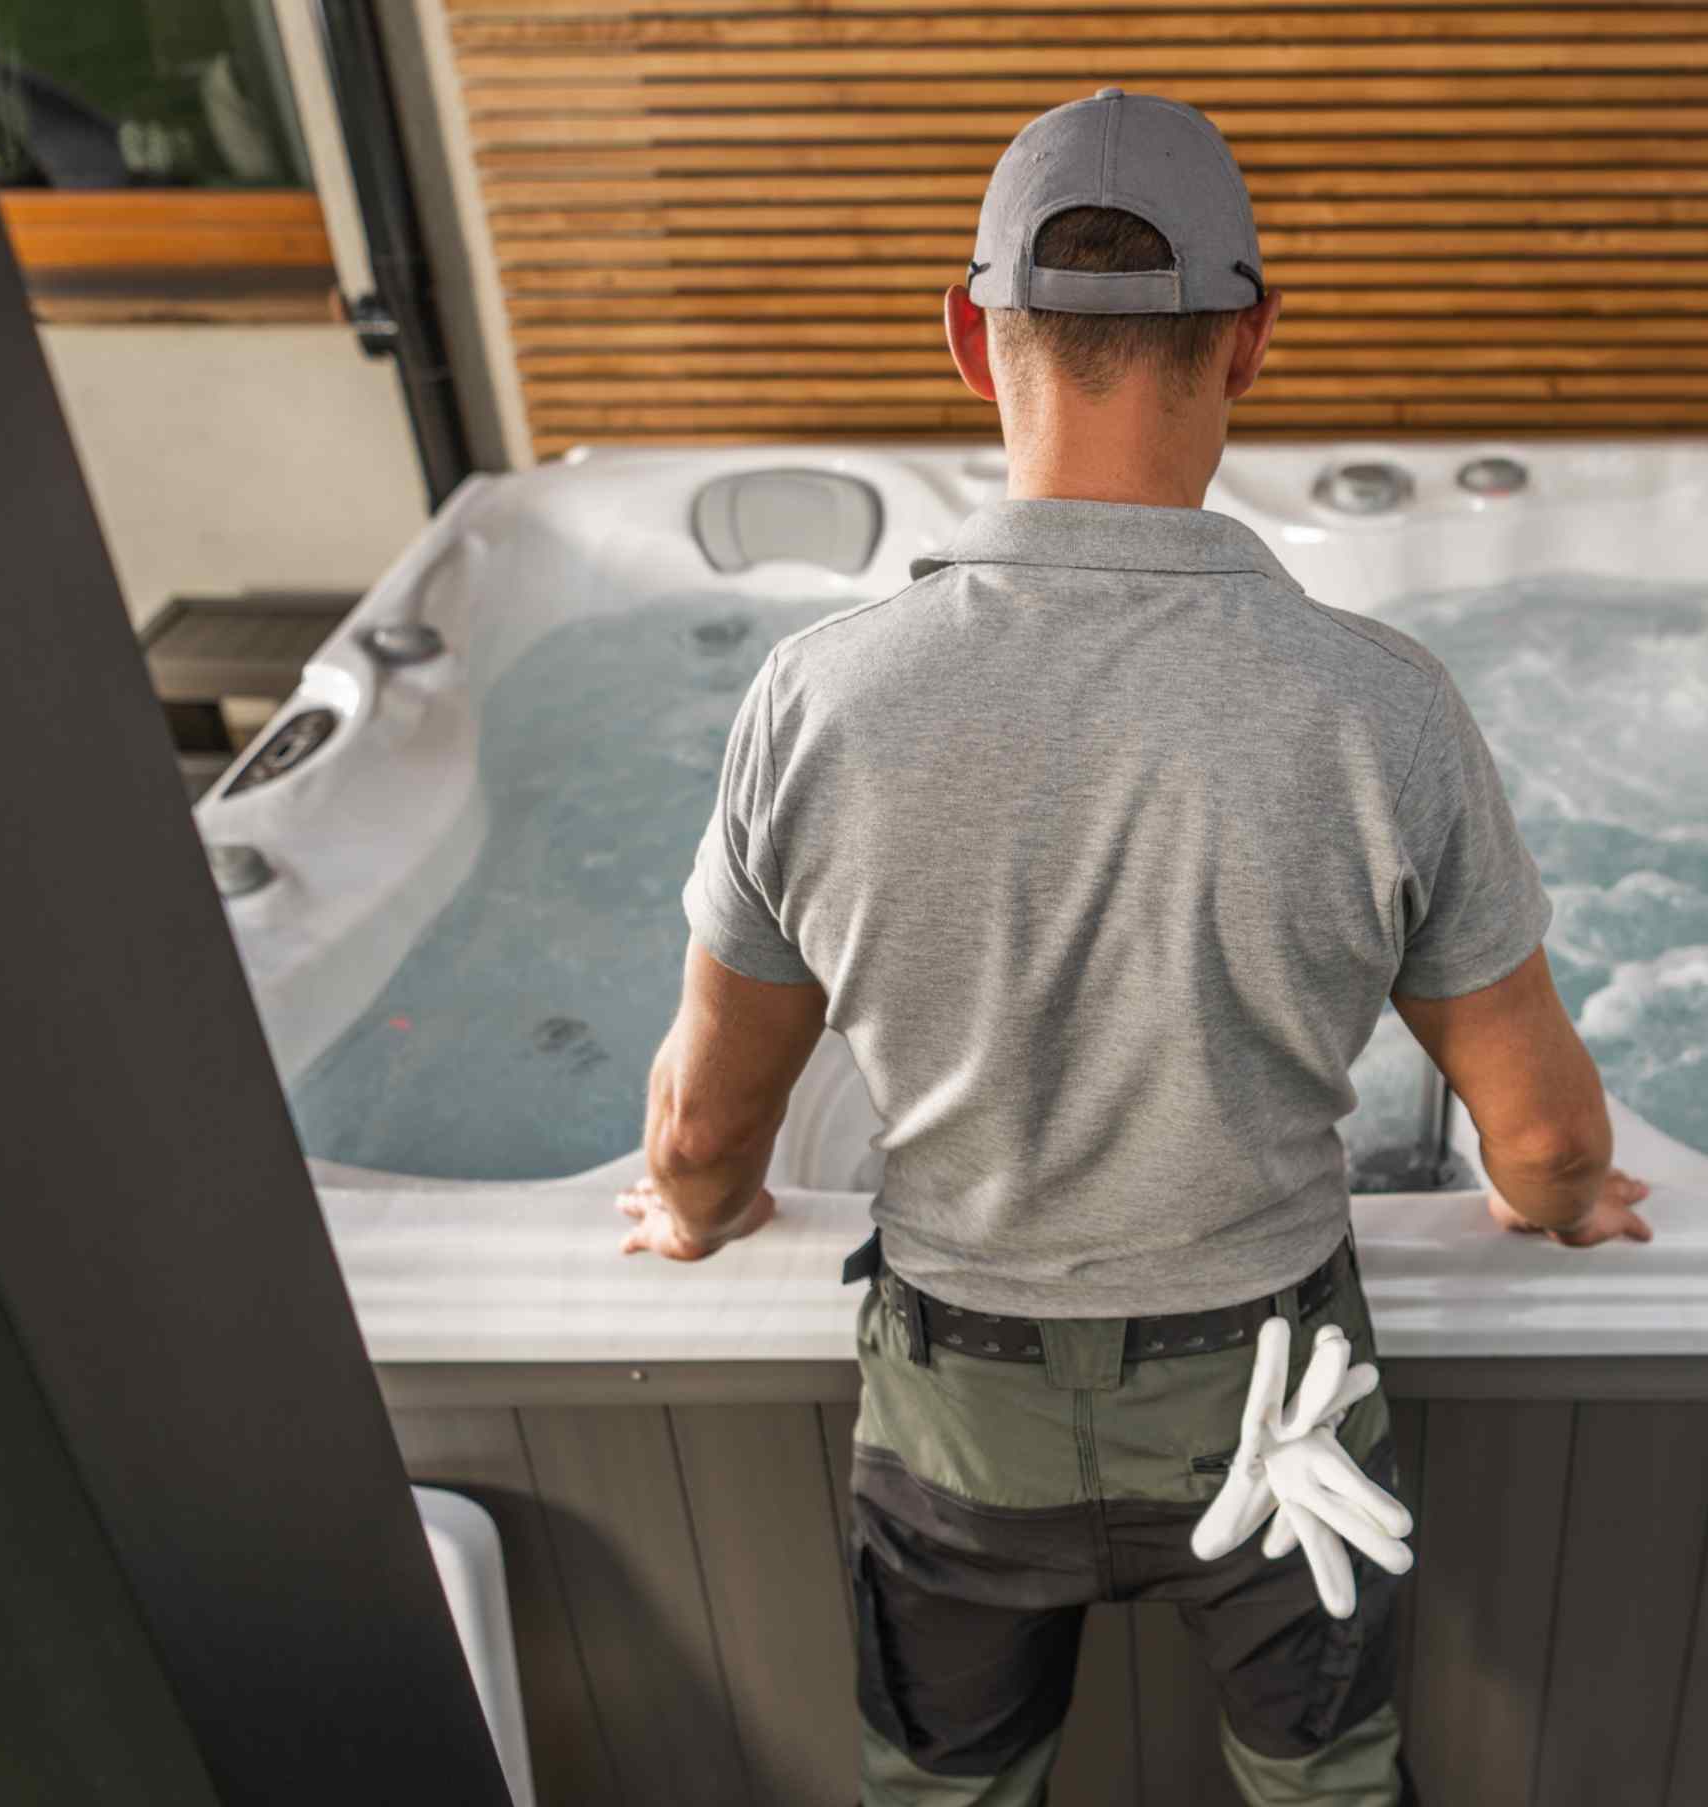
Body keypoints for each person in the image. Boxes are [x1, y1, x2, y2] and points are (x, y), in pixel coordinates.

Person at [614, 88, 1650, 1807]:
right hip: (1276, 1405)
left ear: (967, 336)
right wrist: (1561, 1206)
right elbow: (1541, 1139)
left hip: (958, 1418)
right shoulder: (1380, 705)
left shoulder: (821, 696)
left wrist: (699, 1209)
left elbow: (710, 1134)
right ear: (1249, 347)